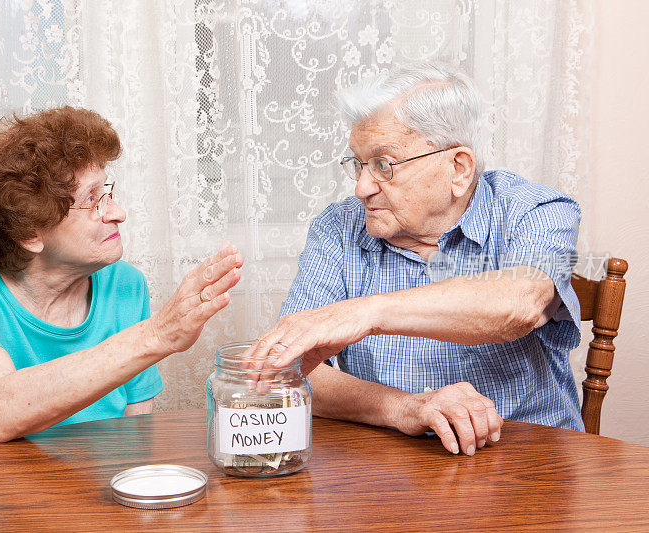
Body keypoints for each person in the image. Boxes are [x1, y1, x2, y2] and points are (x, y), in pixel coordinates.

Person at [244, 63, 582, 457]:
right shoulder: (337, 228)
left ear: (458, 168)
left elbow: (519, 305)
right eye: (358, 164)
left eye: (384, 165)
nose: (362, 187)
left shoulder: (536, 212)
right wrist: (405, 407)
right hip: (389, 466)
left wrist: (365, 314)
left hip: (530, 466)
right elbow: (291, 371)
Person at [0, 107, 243, 457]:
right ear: (28, 231)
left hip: (85, 501)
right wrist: (159, 334)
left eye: (108, 192)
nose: (118, 213)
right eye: (92, 199)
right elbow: (0, 411)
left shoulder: (124, 285)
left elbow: (132, 443)